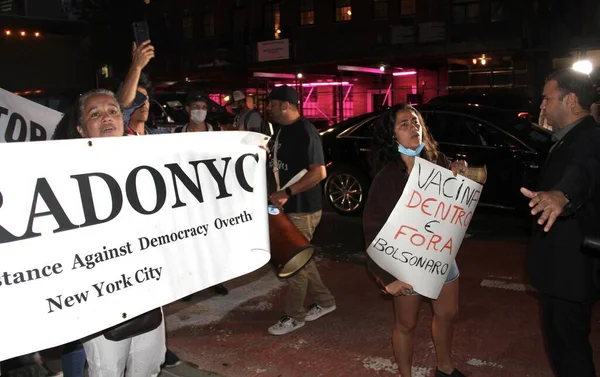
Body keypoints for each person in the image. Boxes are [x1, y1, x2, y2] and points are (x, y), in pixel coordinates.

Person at [62, 89, 166, 377]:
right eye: (95, 114)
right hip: (101, 293)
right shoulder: (63, 172)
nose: (106, 118)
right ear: (82, 129)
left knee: (150, 364)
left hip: (146, 285)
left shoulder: (147, 160)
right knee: (107, 369)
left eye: (113, 111)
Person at [362, 104, 468, 377]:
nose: (413, 128)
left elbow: (453, 207)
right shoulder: (387, 177)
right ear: (392, 135)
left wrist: (459, 175)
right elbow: (372, 229)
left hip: (440, 257)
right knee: (406, 324)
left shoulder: (439, 162)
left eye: (416, 121)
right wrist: (387, 278)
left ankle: (444, 368)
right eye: (404, 124)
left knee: (448, 314)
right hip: (405, 264)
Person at [520, 69, 600, 377]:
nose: (541, 106)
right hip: (564, 271)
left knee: (570, 353)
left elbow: (584, 172)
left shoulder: (589, 138)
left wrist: (562, 195)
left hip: (570, 273)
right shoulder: (570, 137)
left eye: (546, 98)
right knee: (566, 348)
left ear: (571, 99)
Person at [266, 85, 336, 336]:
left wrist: (287, 193)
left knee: (294, 263)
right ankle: (326, 302)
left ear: (285, 105)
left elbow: (319, 172)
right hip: (287, 208)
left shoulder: (306, 132)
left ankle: (295, 316)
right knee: (302, 259)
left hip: (302, 208)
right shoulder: (280, 131)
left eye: (272, 104)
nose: (268, 108)